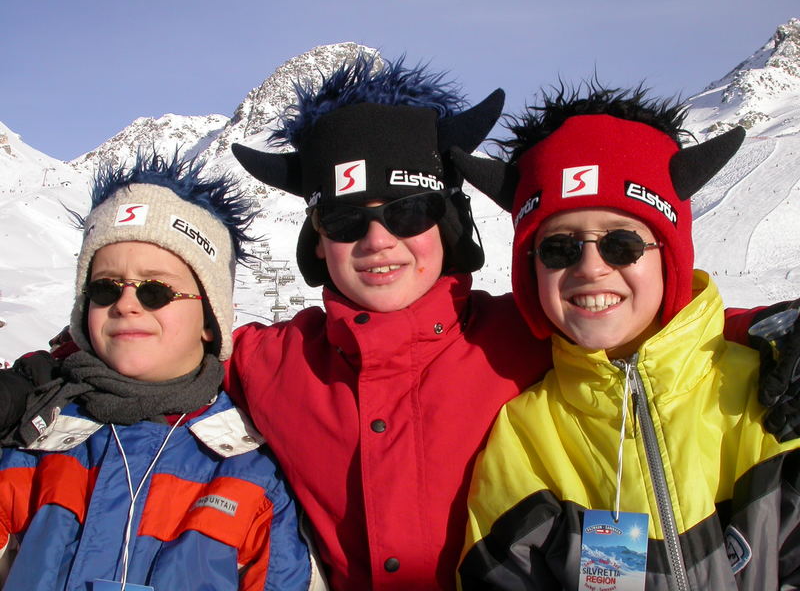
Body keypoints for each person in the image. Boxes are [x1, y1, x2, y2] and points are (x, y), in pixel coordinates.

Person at [228, 57, 774, 590]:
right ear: (317, 243)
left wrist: (770, 333)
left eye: (409, 211)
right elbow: (169, 351)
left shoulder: (518, 334)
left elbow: (653, 341)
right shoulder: (270, 362)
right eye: (347, 221)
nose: (378, 241)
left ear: (448, 224)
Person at [456, 85, 800, 589]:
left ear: (671, 257)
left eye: (621, 244)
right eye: (558, 248)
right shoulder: (528, 436)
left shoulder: (768, 395)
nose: (591, 267)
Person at [0, 153, 325, 590]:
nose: (127, 304)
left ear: (210, 319)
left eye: (156, 290)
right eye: (105, 288)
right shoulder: (32, 444)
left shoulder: (250, 471)